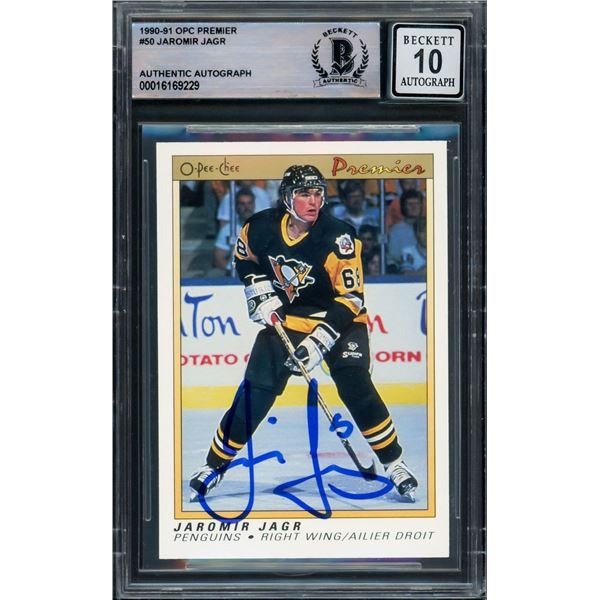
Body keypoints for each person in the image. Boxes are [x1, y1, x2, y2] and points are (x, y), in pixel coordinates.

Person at [189, 165, 418, 503]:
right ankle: (214, 465)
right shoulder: (260, 227)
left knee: (354, 381)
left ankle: (394, 463)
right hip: (289, 321)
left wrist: (320, 339)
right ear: (286, 197)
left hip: (341, 321)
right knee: (255, 393)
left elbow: (351, 297)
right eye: (304, 194)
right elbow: (245, 258)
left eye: (318, 193)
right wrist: (257, 288)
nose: (313, 201)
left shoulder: (338, 237)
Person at [212, 187, 256, 274]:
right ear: (236, 207)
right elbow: (218, 259)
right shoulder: (228, 230)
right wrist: (231, 272)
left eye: (249, 203)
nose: (246, 207)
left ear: (254, 205)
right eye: (242, 204)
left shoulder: (265, 227)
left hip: (260, 275)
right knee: (213, 273)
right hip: (234, 273)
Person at [387, 189, 424, 271]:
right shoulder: (396, 230)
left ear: (421, 206)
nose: (414, 207)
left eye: (417, 204)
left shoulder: (430, 227)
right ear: (403, 207)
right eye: (410, 204)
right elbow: (393, 256)